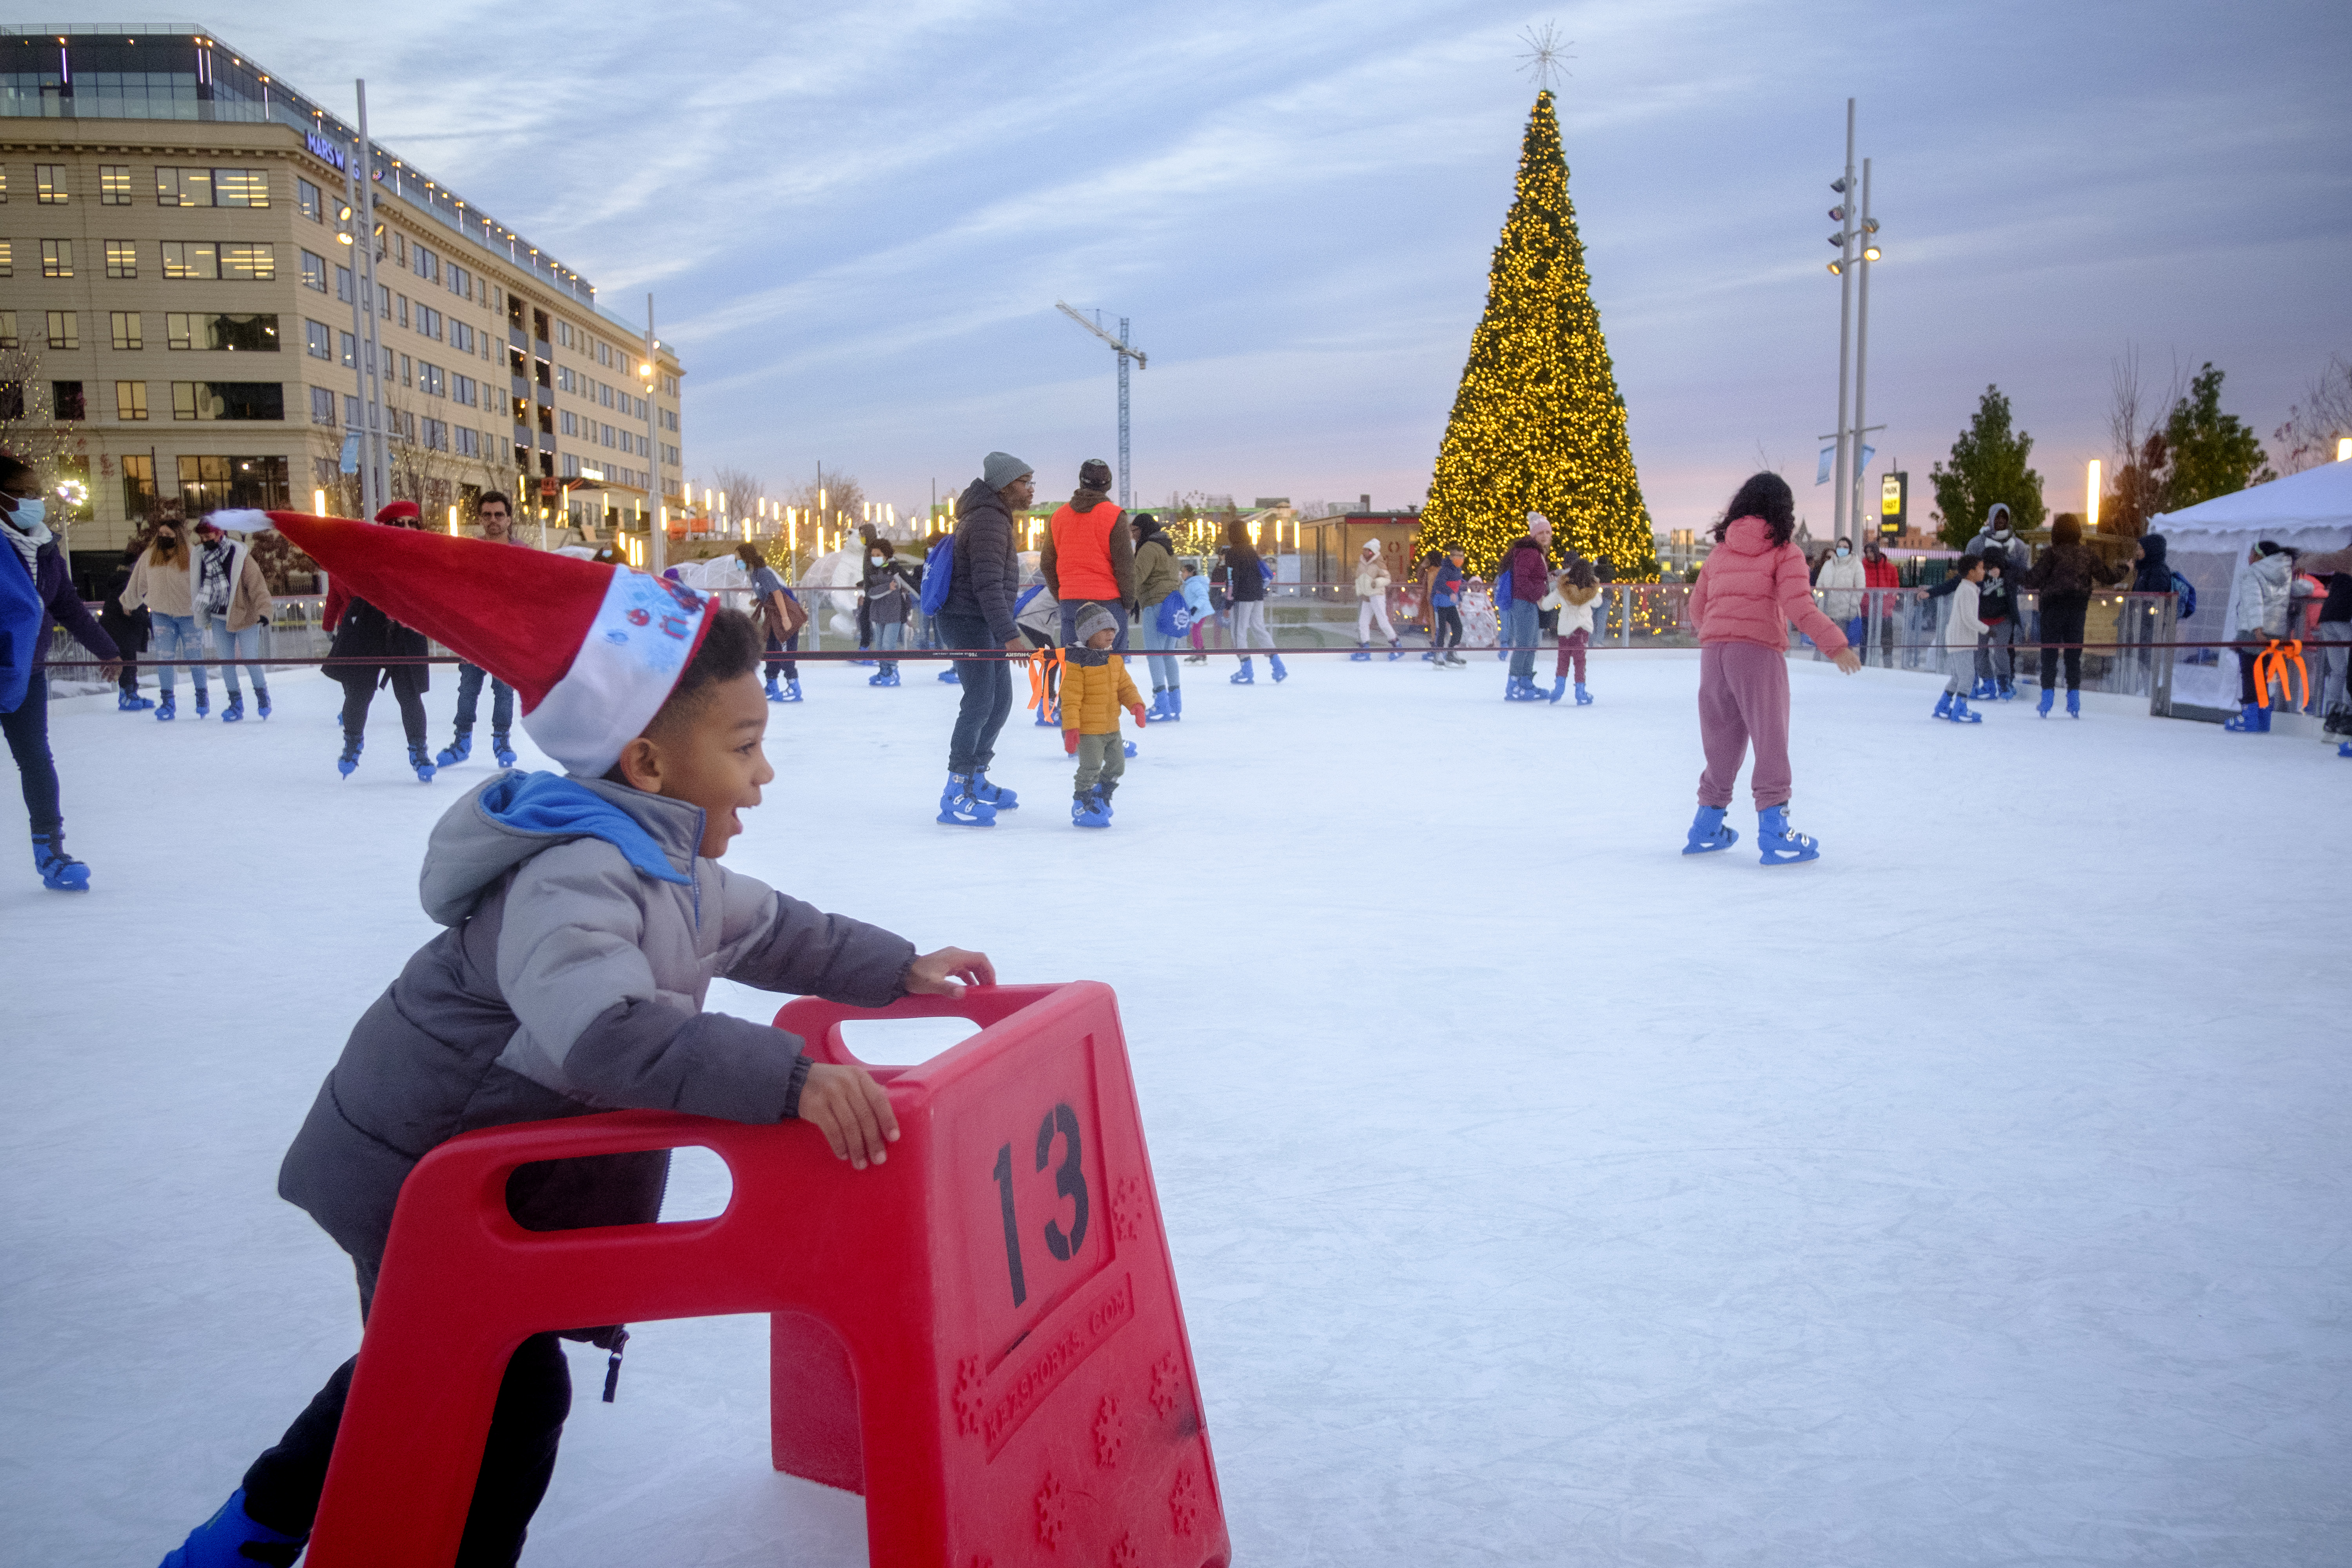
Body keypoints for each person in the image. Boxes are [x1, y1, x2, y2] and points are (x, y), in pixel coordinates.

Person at [155, 510, 997, 1568]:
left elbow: (778, 929)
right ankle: (299, 1537)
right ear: (648, 761)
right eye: (743, 749)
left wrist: (895, 969)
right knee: (496, 1387)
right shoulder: (574, 876)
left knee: (426, 1361)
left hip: (482, 1175)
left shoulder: (664, 866)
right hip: (417, 1170)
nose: (763, 775)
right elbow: (606, 1035)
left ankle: (250, 1532)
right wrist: (790, 1078)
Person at [1682, 472, 1861, 864]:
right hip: (1757, 653)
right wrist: (1837, 645)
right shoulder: (1786, 551)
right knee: (1770, 738)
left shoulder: (1721, 552)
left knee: (1722, 741)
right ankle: (1775, 831)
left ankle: (1706, 825)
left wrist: (1720, 632)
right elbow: (1800, 607)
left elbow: (1697, 608)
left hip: (1713, 654)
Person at [2, 452, 121, 891]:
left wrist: (107, 651)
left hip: (25, 673)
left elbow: (67, 606)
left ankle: (50, 851)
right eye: (21, 493)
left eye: (37, 493)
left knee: (35, 758)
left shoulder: (46, 547)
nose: (34, 501)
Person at [937, 453, 1033, 824]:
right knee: (980, 700)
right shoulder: (989, 520)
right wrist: (1010, 635)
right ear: (1007, 486)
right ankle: (955, 790)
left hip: (982, 622)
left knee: (1000, 700)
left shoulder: (992, 516)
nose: (1031, 490)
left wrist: (1003, 630)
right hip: (967, 621)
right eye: (1026, 483)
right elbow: (988, 585)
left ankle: (976, 778)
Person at [327, 500, 437, 780]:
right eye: (399, 524)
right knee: (359, 692)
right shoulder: (368, 552)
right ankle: (352, 743)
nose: (408, 529)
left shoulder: (424, 556)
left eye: (413, 523)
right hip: (367, 625)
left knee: (410, 695)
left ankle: (419, 751)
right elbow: (348, 580)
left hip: (407, 630)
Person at [438, 492, 523, 767]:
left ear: (509, 519)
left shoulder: (523, 554)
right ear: (479, 518)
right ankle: (461, 741)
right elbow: (455, 591)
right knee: (468, 690)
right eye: (487, 515)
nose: (493, 520)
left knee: (504, 692)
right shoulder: (469, 552)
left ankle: (502, 742)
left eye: (499, 515)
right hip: (473, 636)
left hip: (505, 637)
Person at [2019, 513, 2127, 719]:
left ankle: (2047, 698)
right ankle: (2074, 699)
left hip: (2052, 610)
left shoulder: (2051, 554)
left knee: (2049, 654)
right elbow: (2107, 577)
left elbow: (2031, 580)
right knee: (2073, 655)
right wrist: (2126, 567)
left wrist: (2010, 571)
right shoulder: (2087, 554)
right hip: (2077, 609)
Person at [1060, 603, 1145, 828]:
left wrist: (1136, 705)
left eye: (1113, 629)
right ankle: (1081, 803)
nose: (1111, 634)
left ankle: (1101, 794)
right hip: (1089, 731)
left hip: (1112, 727)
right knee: (1090, 768)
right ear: (1088, 634)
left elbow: (1125, 687)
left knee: (1118, 766)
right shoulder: (1076, 663)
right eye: (1104, 629)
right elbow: (1070, 700)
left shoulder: (1114, 658)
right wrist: (1071, 729)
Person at [118, 510, 209, 720]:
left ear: (178, 536)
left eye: (168, 535)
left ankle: (202, 697)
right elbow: (138, 580)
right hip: (161, 615)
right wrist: (129, 601)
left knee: (195, 657)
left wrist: (208, 607)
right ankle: (167, 702)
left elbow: (206, 583)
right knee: (164, 659)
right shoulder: (150, 555)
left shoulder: (193, 554)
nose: (163, 538)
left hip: (190, 615)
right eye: (161, 534)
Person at [1042, 459, 1135, 656]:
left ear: (1081, 481)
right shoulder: (1115, 515)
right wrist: (1128, 602)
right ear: (1108, 484)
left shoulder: (1058, 517)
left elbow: (1047, 564)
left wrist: (1062, 594)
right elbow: (1125, 566)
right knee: (1111, 670)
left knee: (1074, 669)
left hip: (1071, 601)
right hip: (1109, 602)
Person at [194, 514, 276, 723]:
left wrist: (265, 612)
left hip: (246, 616)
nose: (205, 540)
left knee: (250, 658)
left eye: (209, 535)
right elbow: (196, 585)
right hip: (218, 616)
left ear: (220, 533)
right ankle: (235, 703)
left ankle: (262, 696)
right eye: (202, 536)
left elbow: (257, 585)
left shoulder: (239, 555)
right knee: (226, 662)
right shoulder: (200, 556)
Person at [2221, 540, 2298, 733]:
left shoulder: (2253, 573)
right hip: (2275, 633)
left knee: (2249, 674)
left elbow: (2253, 602)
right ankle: (2264, 718)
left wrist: (2257, 630)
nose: (2248, 558)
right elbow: (2301, 590)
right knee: (2263, 676)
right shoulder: (2283, 575)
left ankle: (2250, 717)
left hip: (2253, 632)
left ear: (2258, 557)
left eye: (2251, 554)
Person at [2289, 540, 2352, 737]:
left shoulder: (2341, 563)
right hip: (2346, 618)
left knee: (2338, 670)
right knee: (2349, 669)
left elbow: (2324, 562)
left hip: (2329, 617)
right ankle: (2348, 714)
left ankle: (2333, 713)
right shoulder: (2347, 559)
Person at [1130, 512, 1185, 719]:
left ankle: (1161, 702)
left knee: (1154, 654)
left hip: (1156, 605)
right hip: (1173, 604)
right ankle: (1175, 703)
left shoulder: (1148, 548)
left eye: (1135, 531)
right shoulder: (1168, 549)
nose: (1133, 536)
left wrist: (1126, 602)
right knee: (1168, 655)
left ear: (1143, 530)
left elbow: (1137, 578)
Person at [737, 541, 806, 703]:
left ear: (747, 558)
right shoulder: (753, 573)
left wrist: (785, 618)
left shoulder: (762, 573)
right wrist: (758, 600)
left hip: (785, 614)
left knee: (785, 652)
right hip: (773, 616)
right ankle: (772, 685)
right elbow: (769, 593)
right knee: (771, 650)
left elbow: (778, 594)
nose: (737, 562)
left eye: (739, 558)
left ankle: (794, 687)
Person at [1497, 515, 1553, 700]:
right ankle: (1513, 684)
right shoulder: (1529, 551)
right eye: (1541, 533)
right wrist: (1538, 596)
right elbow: (1521, 580)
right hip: (1524, 602)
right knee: (1524, 644)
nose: (1545, 536)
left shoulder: (1536, 551)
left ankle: (1525, 681)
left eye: (1548, 532)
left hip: (1528, 601)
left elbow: (1532, 577)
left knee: (1532, 643)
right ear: (1534, 535)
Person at [1222, 521, 1284, 684]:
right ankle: (1278, 665)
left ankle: (1246, 669)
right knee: (1259, 628)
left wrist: (1228, 604)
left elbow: (1230, 580)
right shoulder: (1252, 551)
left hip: (1242, 597)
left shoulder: (1232, 554)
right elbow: (1265, 574)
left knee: (1238, 632)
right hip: (1257, 595)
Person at [98, 528, 154, 710]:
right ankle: (126, 696)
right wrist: (153, 623)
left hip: (126, 628)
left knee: (131, 662)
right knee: (127, 662)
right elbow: (131, 607)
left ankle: (132, 693)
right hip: (120, 628)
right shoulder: (127, 581)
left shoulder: (127, 576)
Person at [1932, 554, 1989, 723]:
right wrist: (1987, 630)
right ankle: (1960, 709)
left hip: (1958, 638)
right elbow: (1969, 619)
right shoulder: (1967, 590)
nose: (1984, 571)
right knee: (1968, 677)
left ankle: (1943, 705)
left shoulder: (1968, 589)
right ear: (1971, 572)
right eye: (1981, 568)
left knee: (1958, 677)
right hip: (1962, 640)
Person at [1541, 557, 1602, 704]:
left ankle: (1559, 689)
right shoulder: (1591, 591)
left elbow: (1547, 605)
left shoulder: (1562, 588)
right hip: (1582, 630)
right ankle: (1580, 691)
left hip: (1565, 630)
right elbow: (1598, 603)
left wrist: (1541, 601)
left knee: (1563, 659)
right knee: (1580, 661)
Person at [861, 537, 913, 687]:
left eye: (878, 555)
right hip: (878, 614)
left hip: (894, 614)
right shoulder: (872, 572)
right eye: (873, 555)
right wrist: (887, 588)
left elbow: (909, 585)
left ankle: (893, 671)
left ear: (886, 555)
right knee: (879, 645)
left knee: (888, 644)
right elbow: (871, 593)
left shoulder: (895, 569)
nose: (875, 558)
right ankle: (884, 670)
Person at [1972, 547, 2022, 701]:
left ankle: (2004, 684)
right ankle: (1988, 683)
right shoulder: (1979, 573)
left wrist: (2004, 574)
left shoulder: (2009, 571)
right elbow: (1959, 581)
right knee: (1980, 653)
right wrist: (1932, 592)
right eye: (1988, 566)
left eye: (1995, 565)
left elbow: (2025, 573)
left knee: (2000, 653)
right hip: (1982, 620)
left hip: (2003, 620)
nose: (1991, 569)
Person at [1816, 536, 1866, 654]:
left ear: (1850, 549)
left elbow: (1860, 588)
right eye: (1839, 547)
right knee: (1822, 646)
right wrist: (1820, 600)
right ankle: (1820, 669)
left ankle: (1839, 671)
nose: (1842, 549)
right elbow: (1819, 585)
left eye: (1845, 547)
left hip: (1845, 615)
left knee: (1840, 646)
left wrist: (1853, 604)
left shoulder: (1856, 565)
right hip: (1826, 612)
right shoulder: (1828, 564)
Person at [1351, 540, 1400, 661]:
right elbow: (1359, 576)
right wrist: (1358, 586)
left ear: (1372, 552)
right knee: (1363, 622)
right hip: (1366, 596)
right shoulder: (1362, 561)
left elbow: (1388, 579)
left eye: (1366, 550)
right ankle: (1365, 648)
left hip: (1377, 595)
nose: (1364, 552)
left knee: (1382, 621)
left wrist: (1376, 583)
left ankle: (1396, 644)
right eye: (1364, 549)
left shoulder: (1379, 563)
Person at [1860, 537, 1900, 666]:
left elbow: (1895, 589)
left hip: (1885, 612)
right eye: (1867, 552)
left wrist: (1889, 605)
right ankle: (1863, 664)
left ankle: (1888, 665)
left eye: (1872, 552)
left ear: (1877, 552)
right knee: (1865, 640)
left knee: (1887, 640)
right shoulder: (1862, 568)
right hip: (1866, 611)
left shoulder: (1891, 569)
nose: (1869, 555)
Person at [1427, 548, 1467, 668]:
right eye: (1458, 556)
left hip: (1451, 604)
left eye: (1462, 556)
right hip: (1440, 604)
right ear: (1451, 557)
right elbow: (1439, 584)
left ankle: (1451, 653)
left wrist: (1458, 598)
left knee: (1458, 628)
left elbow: (1458, 586)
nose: (1461, 559)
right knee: (1442, 630)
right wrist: (1451, 593)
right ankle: (1438, 655)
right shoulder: (1444, 570)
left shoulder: (1458, 571)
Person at [1178, 563, 1212, 668]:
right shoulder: (1190, 584)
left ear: (1190, 573)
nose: (1182, 574)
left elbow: (1203, 597)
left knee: (1195, 631)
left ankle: (1200, 654)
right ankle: (1199, 653)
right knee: (1194, 631)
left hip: (1201, 611)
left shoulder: (1195, 584)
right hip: (1197, 612)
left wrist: (1195, 608)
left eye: (1183, 572)